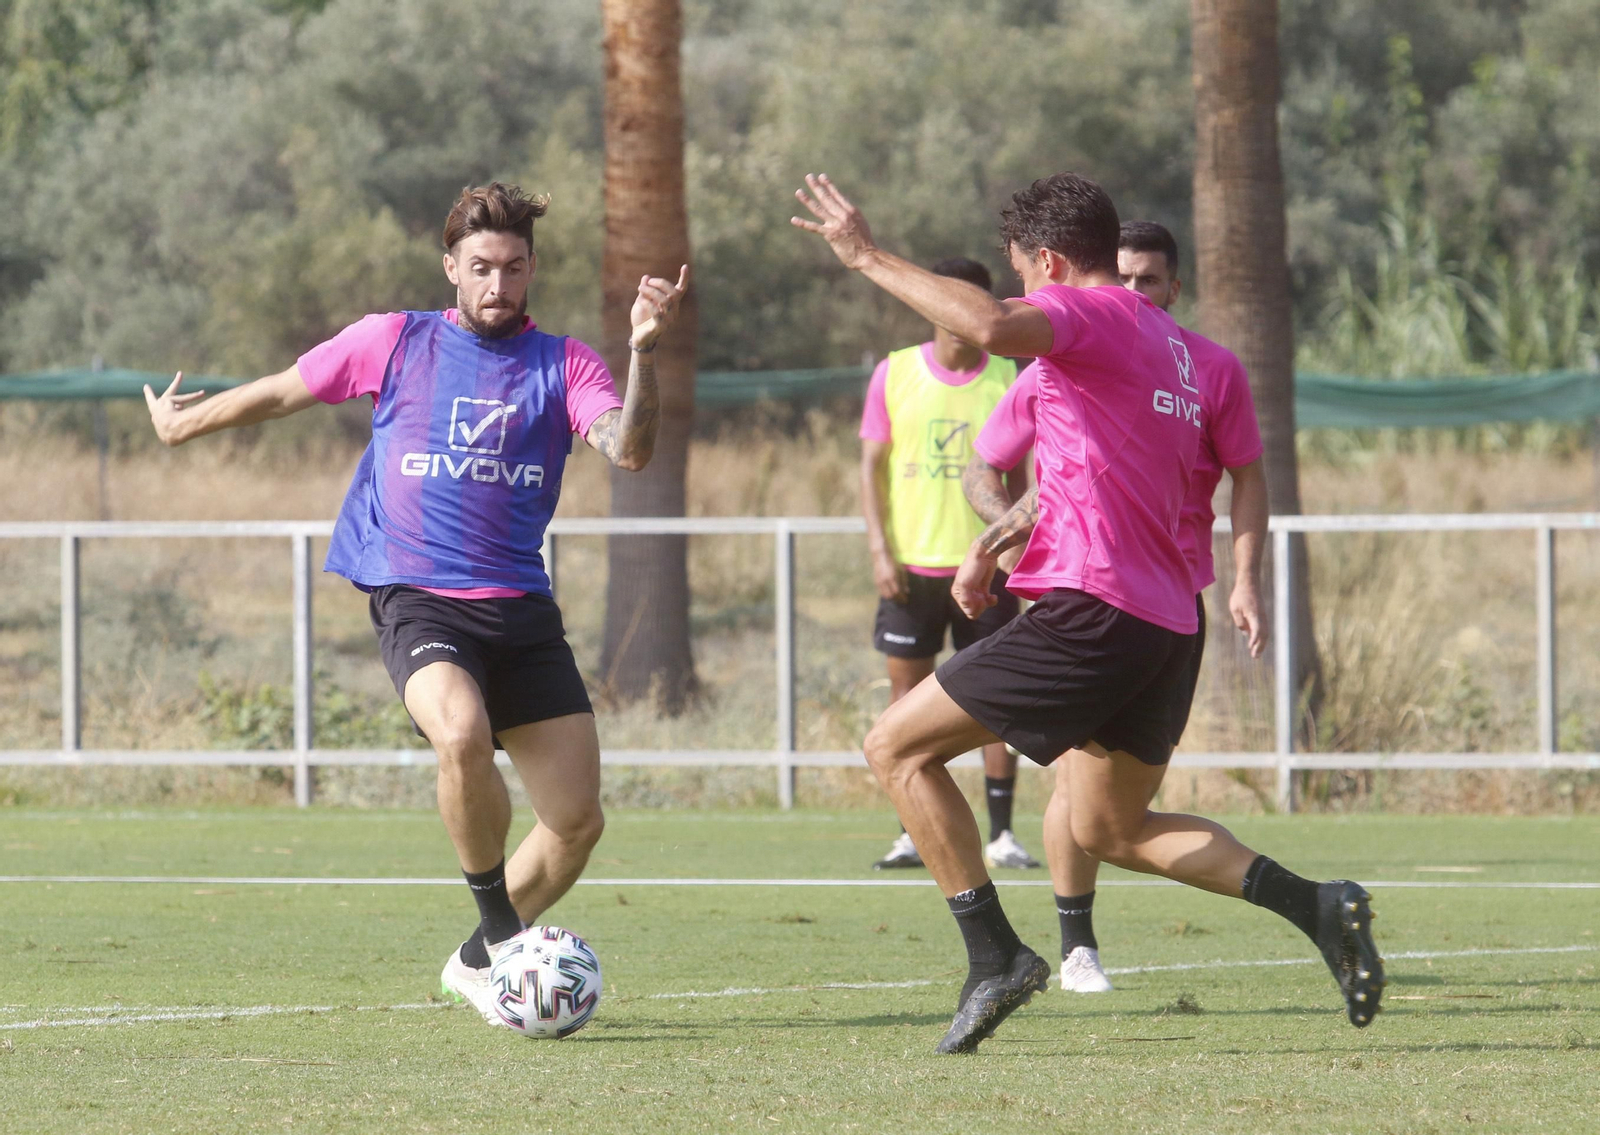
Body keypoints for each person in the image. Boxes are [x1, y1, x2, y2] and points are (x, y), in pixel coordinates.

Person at [793, 171, 1383, 1055]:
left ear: (1053, 262)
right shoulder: (1177, 350)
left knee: (895, 747)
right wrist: (995, 545)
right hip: (1167, 624)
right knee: (1109, 827)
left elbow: (988, 326)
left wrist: (865, 255)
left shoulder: (1090, 314)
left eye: (1027, 275)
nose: (1027, 297)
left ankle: (994, 955)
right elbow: (1096, 474)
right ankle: (1317, 903)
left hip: (1094, 612)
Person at [144, 182, 690, 1027]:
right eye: (481, 268)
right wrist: (186, 425)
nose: (499, 284)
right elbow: (286, 389)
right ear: (451, 268)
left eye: (513, 268)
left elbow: (631, 449)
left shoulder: (566, 363)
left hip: (521, 608)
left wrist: (645, 351)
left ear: (533, 268)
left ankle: (475, 961)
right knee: (462, 734)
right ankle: (506, 938)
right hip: (417, 595)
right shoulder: (392, 340)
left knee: (577, 822)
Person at [960, 219, 1270, 996]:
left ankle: (1051, 949)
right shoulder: (1063, 352)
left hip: (1166, 605)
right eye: (1124, 276)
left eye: (1151, 280)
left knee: (1112, 815)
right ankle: (1077, 944)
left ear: (1175, 288)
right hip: (1084, 598)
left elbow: (1248, 478)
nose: (1135, 291)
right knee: (1076, 785)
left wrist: (1244, 578)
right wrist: (996, 538)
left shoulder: (1210, 368)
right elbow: (991, 467)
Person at [860, 257, 1039, 872]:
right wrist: (881, 552)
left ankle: (1003, 833)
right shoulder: (894, 373)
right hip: (912, 570)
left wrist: (1014, 555)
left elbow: (1020, 478)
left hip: (985, 570)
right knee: (905, 698)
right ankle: (911, 832)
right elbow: (870, 469)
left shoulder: (1009, 377)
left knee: (996, 703)